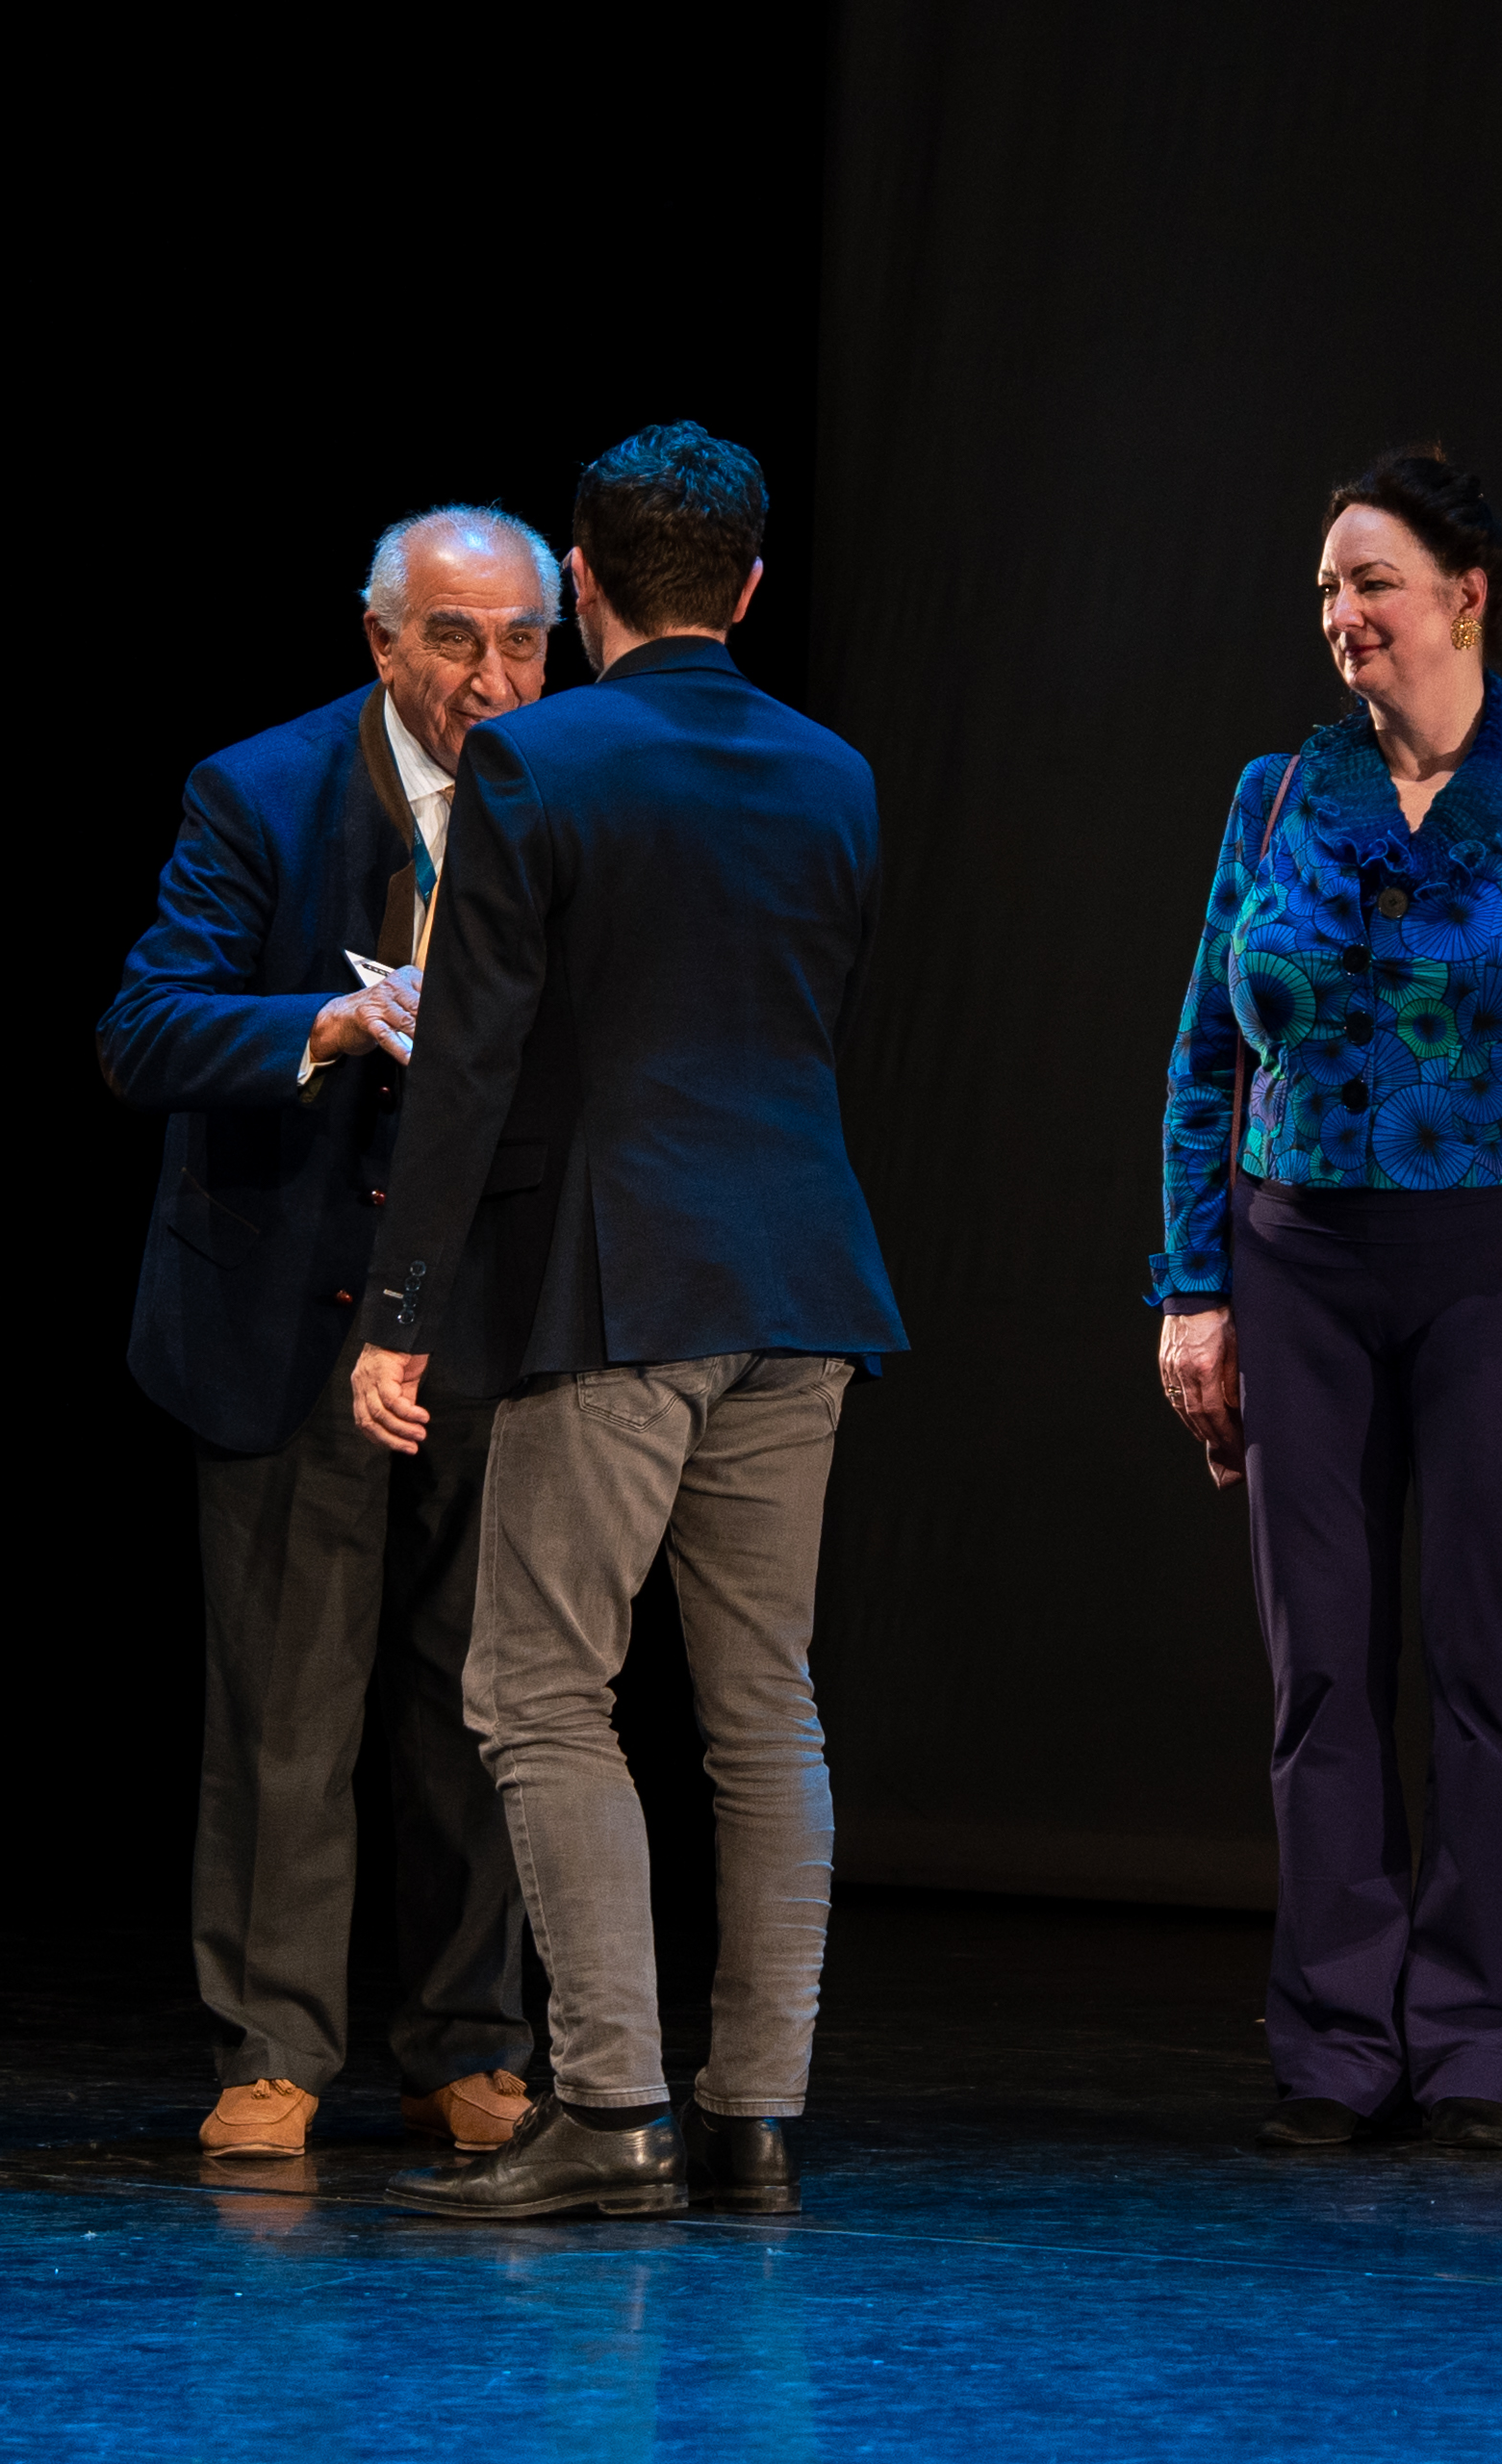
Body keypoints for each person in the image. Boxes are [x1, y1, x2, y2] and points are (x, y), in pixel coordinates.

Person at [346, 422, 905, 2221]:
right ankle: (755, 2118)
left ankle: (609, 2106)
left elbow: (471, 1060)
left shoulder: (538, 758)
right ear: (749, 587)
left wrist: (400, 1310)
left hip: (612, 1278)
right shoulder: (836, 773)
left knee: (534, 1687)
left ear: (581, 584)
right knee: (764, 1705)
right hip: (801, 1277)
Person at [1152, 449, 1502, 2155]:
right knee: (1318, 1666)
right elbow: (1206, 1058)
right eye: (1327, 587)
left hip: (1501, 1272)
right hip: (1296, 1263)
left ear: (1467, 595)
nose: (1343, 614)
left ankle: (1477, 2042)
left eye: (1372, 581)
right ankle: (1332, 2042)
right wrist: (1193, 1289)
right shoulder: (1276, 797)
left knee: (1482, 1659)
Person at [98, 506, 563, 2161]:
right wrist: (338, 1019)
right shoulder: (263, 791)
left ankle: (468, 2043)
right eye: (454, 640)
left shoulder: (580, 788)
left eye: (524, 642)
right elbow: (146, 1026)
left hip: (494, 1319)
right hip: (293, 1312)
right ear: (380, 641)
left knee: (479, 1704)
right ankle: (273, 2046)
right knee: (288, 1710)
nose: (492, 679)